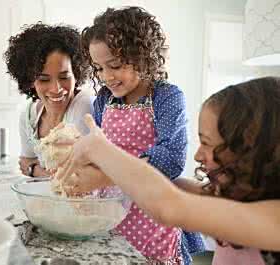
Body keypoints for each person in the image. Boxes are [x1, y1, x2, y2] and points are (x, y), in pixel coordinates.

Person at [58, 77, 280, 264]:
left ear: (252, 150)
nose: (198, 155)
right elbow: (171, 188)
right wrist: (104, 176)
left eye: (208, 143)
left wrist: (99, 149)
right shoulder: (231, 198)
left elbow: (168, 205)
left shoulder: (275, 219)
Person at [78, 6, 204, 264]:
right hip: (111, 212)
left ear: (142, 55)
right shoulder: (104, 100)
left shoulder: (167, 97)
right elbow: (98, 148)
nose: (106, 77)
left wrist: (105, 176)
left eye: (114, 65)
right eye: (99, 68)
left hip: (153, 215)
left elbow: (171, 158)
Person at [4, 23, 92, 177]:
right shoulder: (29, 116)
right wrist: (34, 169)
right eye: (44, 80)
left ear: (77, 73)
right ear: (30, 81)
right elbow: (24, 162)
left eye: (64, 77)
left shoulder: (84, 105)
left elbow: (77, 176)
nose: (56, 88)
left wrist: (34, 170)